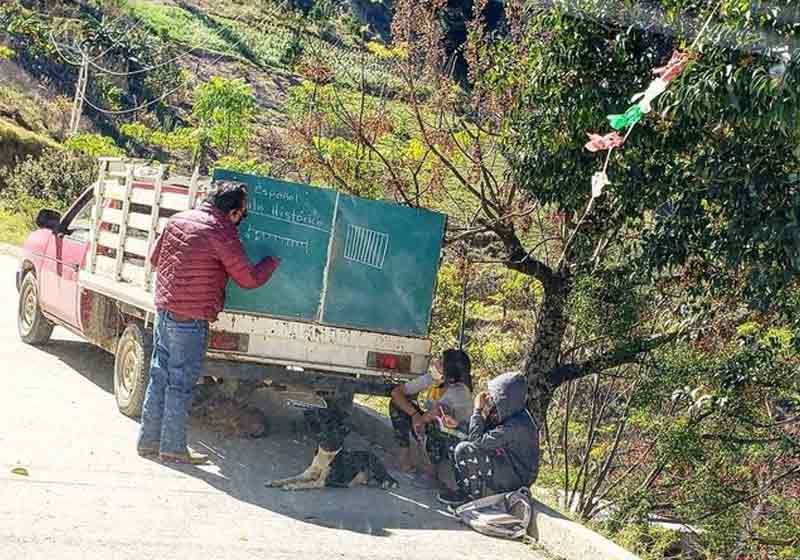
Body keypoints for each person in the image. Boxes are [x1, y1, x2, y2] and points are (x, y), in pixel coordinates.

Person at [137, 181, 280, 464]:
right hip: (191, 319)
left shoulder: (177, 220)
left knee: (159, 377)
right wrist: (271, 263)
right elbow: (248, 279)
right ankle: (173, 448)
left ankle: (148, 441)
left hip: (164, 310)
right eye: (244, 214)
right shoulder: (221, 231)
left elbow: (154, 259)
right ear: (235, 212)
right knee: (181, 383)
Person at [437, 372, 540, 506]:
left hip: (517, 476)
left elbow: (476, 442)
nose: (491, 398)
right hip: (506, 462)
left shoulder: (517, 425)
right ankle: (463, 491)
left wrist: (477, 410)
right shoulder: (510, 412)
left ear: (506, 397)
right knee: (455, 442)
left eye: (495, 395)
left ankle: (472, 499)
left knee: (464, 449)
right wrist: (458, 425)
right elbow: (484, 435)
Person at [389, 349, 473, 476]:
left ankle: (432, 472)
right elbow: (396, 393)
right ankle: (404, 458)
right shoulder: (434, 379)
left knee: (435, 424)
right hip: (431, 425)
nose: (437, 363)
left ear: (448, 371)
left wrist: (419, 419)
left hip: (452, 440)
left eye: (441, 362)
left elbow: (436, 413)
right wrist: (414, 414)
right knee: (397, 404)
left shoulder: (460, 392)